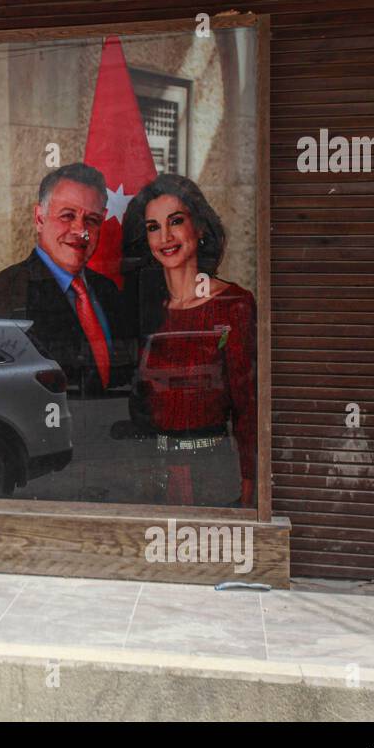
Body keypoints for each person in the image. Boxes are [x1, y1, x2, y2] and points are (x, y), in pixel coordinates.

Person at [122, 174, 257, 507]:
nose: (165, 237)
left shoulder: (234, 304)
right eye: (153, 227)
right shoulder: (147, 308)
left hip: (214, 471)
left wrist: (250, 477)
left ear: (199, 227)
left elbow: (248, 406)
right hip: (151, 472)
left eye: (176, 221)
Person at [0, 164, 134, 397]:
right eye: (68, 216)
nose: (81, 230)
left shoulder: (108, 291)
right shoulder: (3, 294)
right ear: (39, 218)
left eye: (92, 220)